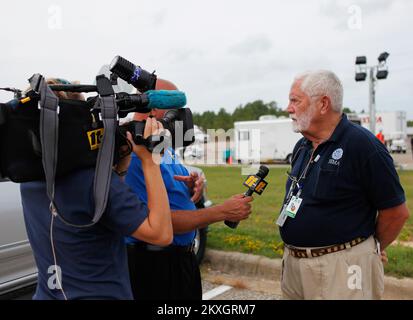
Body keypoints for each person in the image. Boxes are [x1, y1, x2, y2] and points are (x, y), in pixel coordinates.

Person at [20, 79, 173, 300]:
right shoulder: (93, 182)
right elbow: (161, 234)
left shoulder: (29, 180)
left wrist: (120, 169)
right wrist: (150, 161)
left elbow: (92, 213)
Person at [278, 70, 410, 300]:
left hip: (341, 270)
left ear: (323, 104)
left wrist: (370, 249)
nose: (288, 108)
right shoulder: (303, 146)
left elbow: (396, 213)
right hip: (294, 267)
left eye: (295, 100)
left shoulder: (363, 146)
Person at [125, 79, 254, 300]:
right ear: (152, 107)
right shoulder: (135, 153)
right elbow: (159, 223)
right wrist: (222, 212)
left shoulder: (160, 144)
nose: (182, 113)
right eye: (175, 104)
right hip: (155, 267)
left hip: (181, 260)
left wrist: (190, 184)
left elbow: (168, 187)